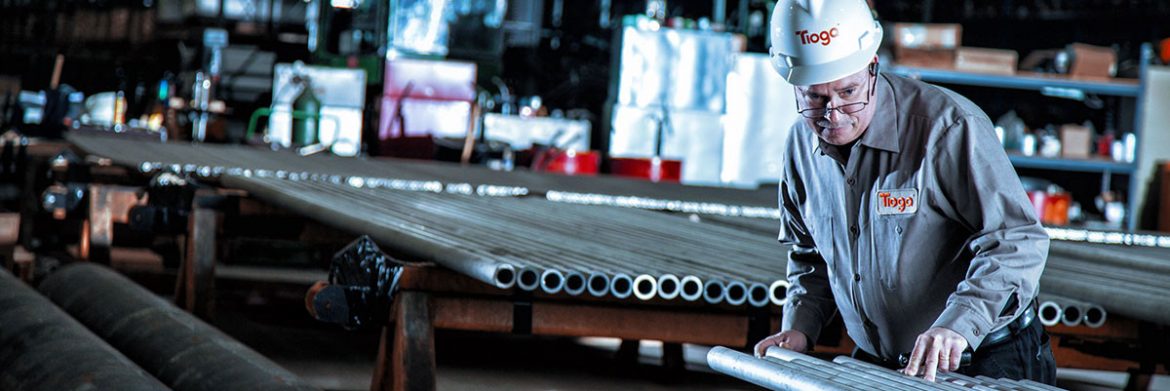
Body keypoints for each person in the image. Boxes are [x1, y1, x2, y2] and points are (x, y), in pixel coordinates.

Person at [752, 0, 1056, 384]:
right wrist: (801, 327)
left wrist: (960, 325)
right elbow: (810, 254)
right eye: (815, 98)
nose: (834, 114)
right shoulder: (800, 147)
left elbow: (1017, 239)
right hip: (879, 363)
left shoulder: (946, 130)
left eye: (848, 92)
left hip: (984, 358)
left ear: (873, 68)